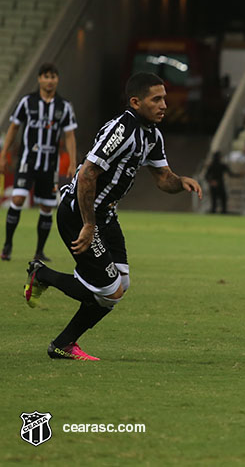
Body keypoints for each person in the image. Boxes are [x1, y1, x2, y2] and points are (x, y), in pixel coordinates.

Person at [22, 72, 202, 360]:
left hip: (105, 214)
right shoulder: (122, 129)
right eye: (156, 99)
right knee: (110, 291)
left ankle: (63, 343)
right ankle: (41, 274)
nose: (164, 105)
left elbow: (162, 177)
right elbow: (87, 175)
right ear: (135, 102)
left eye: (164, 99)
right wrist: (89, 224)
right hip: (79, 213)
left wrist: (180, 182)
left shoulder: (152, 134)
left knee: (120, 285)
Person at [1, 63, 77, 262]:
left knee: (46, 207)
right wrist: (3, 154)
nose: (49, 80)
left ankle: (39, 252)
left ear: (57, 79)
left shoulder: (64, 106)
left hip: (49, 165)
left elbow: (69, 136)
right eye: (46, 76)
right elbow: (13, 128)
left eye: (53, 76)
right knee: (17, 199)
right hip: (27, 161)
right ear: (39, 79)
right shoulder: (27, 102)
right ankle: (7, 245)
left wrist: (72, 162)